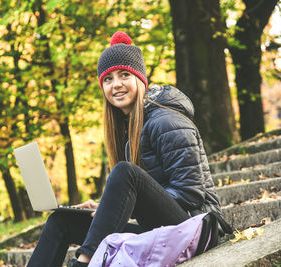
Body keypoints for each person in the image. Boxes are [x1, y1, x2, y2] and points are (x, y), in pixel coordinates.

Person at [27, 31, 222, 267]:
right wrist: (108, 207)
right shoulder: (132, 131)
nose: (116, 84)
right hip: (164, 228)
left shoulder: (166, 121)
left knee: (125, 172)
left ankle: (84, 262)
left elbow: (191, 194)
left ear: (140, 79)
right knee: (61, 222)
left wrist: (126, 204)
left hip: (197, 229)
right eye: (108, 79)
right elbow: (150, 195)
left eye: (124, 75)